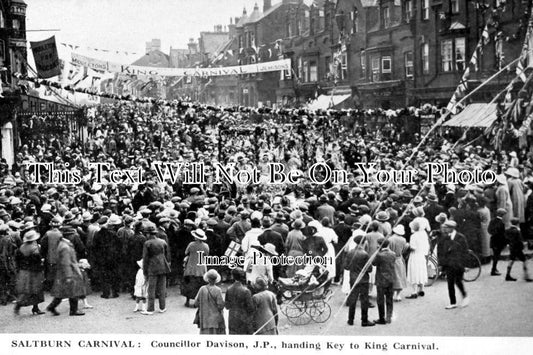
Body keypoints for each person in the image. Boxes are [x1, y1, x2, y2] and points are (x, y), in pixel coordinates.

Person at [46, 233, 86, 316]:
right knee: (73, 291)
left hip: (63, 272)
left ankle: (52, 306)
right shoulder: (65, 247)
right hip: (70, 271)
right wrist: (69, 275)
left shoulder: (62, 245)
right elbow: (66, 262)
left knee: (61, 292)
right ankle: (73, 310)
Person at [344, 235, 375, 327]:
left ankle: (350, 320)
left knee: (353, 299)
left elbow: (346, 266)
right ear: (363, 242)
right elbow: (369, 269)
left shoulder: (350, 252)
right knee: (364, 300)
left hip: (353, 279)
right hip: (363, 280)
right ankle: (364, 320)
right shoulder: (365, 254)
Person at [438, 220, 469, 309]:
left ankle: (464, 295)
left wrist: (465, 264)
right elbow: (441, 252)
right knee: (450, 282)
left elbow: (465, 252)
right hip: (448, 264)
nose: (445, 229)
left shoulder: (460, 237)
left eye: (447, 228)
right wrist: (441, 264)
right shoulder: (444, 239)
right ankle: (453, 302)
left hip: (458, 263)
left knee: (458, 281)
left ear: (451, 228)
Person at [14, 230, 45, 315]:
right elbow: (38, 260)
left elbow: (17, 259)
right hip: (34, 272)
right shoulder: (35, 248)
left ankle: (19, 305)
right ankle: (35, 308)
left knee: (25, 290)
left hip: (24, 271)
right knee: (36, 289)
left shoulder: (21, 247)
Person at [142, 224, 171, 315]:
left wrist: (144, 270)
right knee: (162, 288)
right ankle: (162, 307)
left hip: (152, 267)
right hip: (163, 266)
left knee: (151, 289)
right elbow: (167, 255)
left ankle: (150, 309)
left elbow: (145, 258)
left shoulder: (147, 243)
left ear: (148, 234)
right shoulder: (162, 242)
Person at [182, 229, 209, 307]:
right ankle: (197, 302)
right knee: (199, 285)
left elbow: (186, 252)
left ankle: (187, 301)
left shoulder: (191, 244)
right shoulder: (205, 246)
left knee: (189, 284)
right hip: (201, 267)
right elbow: (206, 254)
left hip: (191, 266)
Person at [194, 269, 226, 334]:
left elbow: (196, 303)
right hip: (215, 320)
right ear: (216, 279)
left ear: (207, 279)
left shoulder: (202, 289)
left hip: (204, 319)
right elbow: (221, 305)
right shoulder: (218, 290)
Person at [372, 239, 396, 324]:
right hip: (390, 278)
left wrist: (377, 251)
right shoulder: (393, 254)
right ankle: (389, 317)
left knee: (380, 300)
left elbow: (374, 263)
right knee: (389, 299)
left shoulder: (379, 255)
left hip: (381, 279)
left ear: (380, 245)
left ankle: (381, 318)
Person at [225, 268, 254, 334]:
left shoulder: (229, 289)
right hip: (243, 318)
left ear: (233, 276)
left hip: (232, 318)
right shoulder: (246, 291)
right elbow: (251, 308)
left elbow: (227, 306)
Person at [405, 219, 429, 299]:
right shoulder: (423, 234)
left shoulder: (413, 236)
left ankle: (414, 291)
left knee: (414, 271)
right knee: (421, 271)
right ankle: (422, 289)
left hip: (414, 255)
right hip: (421, 255)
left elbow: (413, 247)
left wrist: (407, 246)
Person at [504, 218, 533, 282]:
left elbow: (506, 238)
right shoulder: (517, 230)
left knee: (511, 260)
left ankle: (507, 275)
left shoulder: (507, 230)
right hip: (518, 249)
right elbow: (519, 240)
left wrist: (509, 244)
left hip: (512, 248)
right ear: (517, 223)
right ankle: (526, 276)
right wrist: (522, 247)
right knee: (525, 260)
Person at [387, 225, 409, 302]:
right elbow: (404, 249)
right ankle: (398, 295)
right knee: (400, 276)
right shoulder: (403, 240)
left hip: (391, 259)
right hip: (399, 258)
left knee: (392, 276)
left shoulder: (390, 239)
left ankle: (392, 294)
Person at [488, 208, 508, 276]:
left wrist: (493, 234)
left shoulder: (492, 221)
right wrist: (505, 242)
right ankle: (493, 270)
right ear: (502, 215)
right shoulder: (501, 223)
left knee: (495, 255)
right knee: (496, 256)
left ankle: (494, 268)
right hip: (499, 242)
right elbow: (502, 234)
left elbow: (489, 230)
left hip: (493, 240)